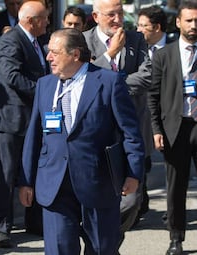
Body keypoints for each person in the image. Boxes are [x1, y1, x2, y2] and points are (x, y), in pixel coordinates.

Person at [19, 27, 144, 255]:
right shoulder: (45, 85)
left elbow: (130, 132)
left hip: (97, 181)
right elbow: (34, 135)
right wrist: (26, 180)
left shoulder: (109, 81)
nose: (48, 57)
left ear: (75, 54)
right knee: (59, 249)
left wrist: (134, 173)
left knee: (101, 249)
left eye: (55, 52)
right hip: (54, 183)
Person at [83, 0, 152, 248]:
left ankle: (107, 242)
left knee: (131, 201)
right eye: (111, 14)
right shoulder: (83, 41)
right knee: (96, 199)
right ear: (95, 16)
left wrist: (112, 87)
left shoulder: (136, 39)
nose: (117, 19)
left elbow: (146, 76)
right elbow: (82, 79)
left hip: (128, 133)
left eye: (120, 13)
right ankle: (102, 245)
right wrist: (110, 55)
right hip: (95, 135)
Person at [0, 0, 49, 248]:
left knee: (34, 171)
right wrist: (44, 92)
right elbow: (12, 76)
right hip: (13, 119)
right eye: (44, 18)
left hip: (33, 118)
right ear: (30, 21)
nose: (48, 22)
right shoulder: (11, 40)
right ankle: (2, 228)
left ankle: (34, 221)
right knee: (7, 173)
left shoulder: (38, 42)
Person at [148, 1, 197, 254]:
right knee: (175, 186)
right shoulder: (163, 55)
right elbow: (153, 96)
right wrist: (157, 129)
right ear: (178, 22)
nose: (193, 25)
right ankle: (176, 238)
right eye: (189, 20)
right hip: (175, 128)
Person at [136, 5, 176, 223]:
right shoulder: (136, 48)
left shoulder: (174, 48)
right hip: (142, 114)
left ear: (157, 27)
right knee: (141, 160)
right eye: (138, 25)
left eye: (144, 26)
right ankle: (140, 204)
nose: (139, 30)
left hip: (171, 115)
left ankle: (173, 209)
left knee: (173, 165)